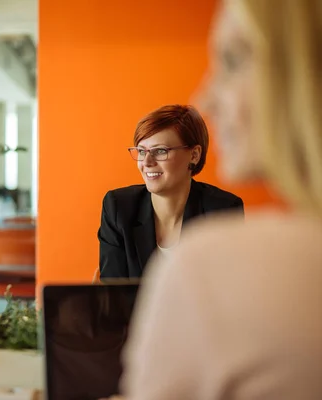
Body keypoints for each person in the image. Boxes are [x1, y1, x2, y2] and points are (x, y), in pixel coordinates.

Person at [120, 0, 322, 398]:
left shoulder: (212, 256)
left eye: (233, 60)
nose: (206, 98)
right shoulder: (121, 207)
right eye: (140, 151)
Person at [98, 104, 243, 279]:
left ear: (194, 155)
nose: (147, 162)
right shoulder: (118, 208)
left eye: (160, 151)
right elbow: (114, 295)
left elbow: (225, 289)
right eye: (142, 151)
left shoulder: (223, 210)